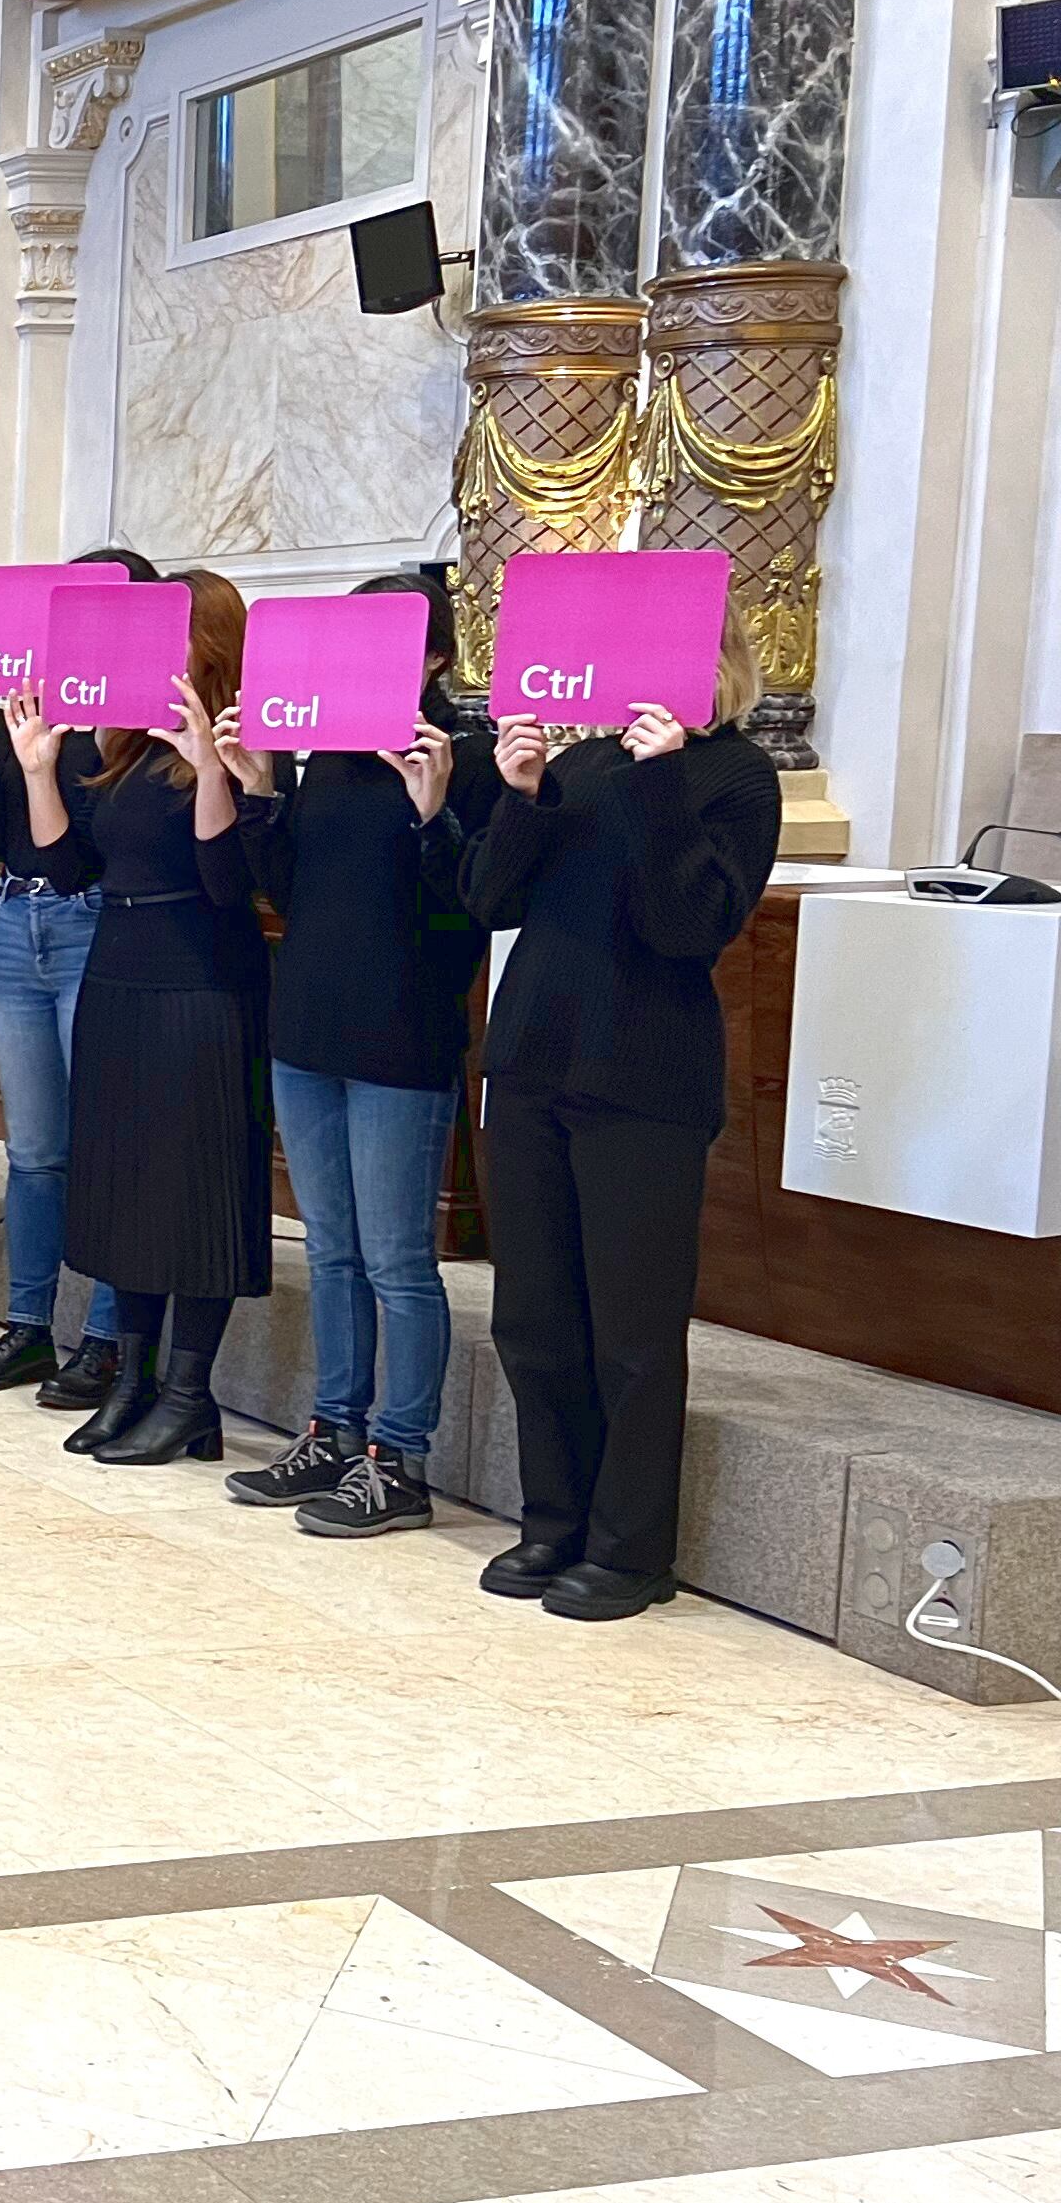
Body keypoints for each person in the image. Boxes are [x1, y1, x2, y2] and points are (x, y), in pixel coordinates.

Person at [461, 620, 782, 1620]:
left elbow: (687, 925)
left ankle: (632, 1549)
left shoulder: (736, 777)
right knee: (535, 1316)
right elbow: (486, 897)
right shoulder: (582, 761)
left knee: (632, 1329)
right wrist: (516, 795)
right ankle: (552, 1522)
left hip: (644, 1077)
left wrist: (659, 780)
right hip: (531, 1062)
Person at [223, 570, 498, 1540]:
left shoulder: (461, 759)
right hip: (309, 1026)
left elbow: (469, 913)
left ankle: (401, 1457)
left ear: (431, 658)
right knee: (331, 1250)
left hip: (401, 1036)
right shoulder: (325, 756)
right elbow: (293, 894)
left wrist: (434, 816)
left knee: (395, 1259)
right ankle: (334, 1430)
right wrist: (258, 791)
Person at [0, 566, 273, 1470]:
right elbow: (71, 868)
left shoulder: (241, 741)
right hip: (117, 974)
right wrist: (40, 770)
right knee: (127, 1185)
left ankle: (191, 1395)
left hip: (200, 984)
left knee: (191, 1193)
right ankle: (135, 1380)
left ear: (212, 647)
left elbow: (231, 886)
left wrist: (211, 775)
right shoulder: (120, 743)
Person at [0, 543, 163, 1406]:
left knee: (105, 1144)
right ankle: (32, 1327)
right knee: (35, 1150)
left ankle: (109, 1339)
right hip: (10, 920)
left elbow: (77, 858)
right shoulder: (30, 701)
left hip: (86, 926)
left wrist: (43, 765)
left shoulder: (130, 724)